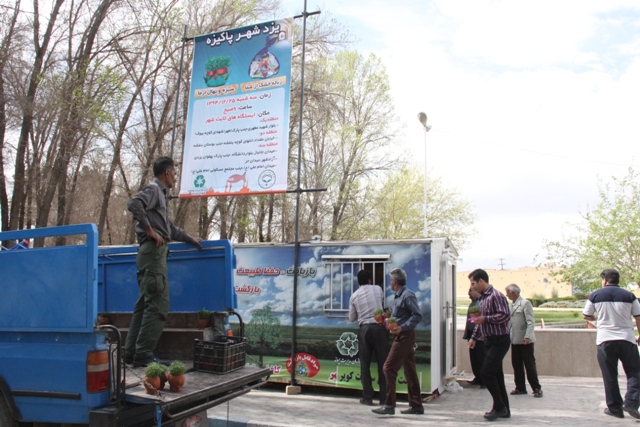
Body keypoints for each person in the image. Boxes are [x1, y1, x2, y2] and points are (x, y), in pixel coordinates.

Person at [125, 157, 202, 367]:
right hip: (153, 252)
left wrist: (191, 239)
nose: (176, 177)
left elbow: (169, 229)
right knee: (158, 304)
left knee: (144, 305)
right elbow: (133, 204)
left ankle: (131, 353)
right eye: (175, 173)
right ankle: (143, 354)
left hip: (149, 254)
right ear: (167, 173)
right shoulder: (154, 190)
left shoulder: (161, 196)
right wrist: (149, 230)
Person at [583, 268, 640, 419]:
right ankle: (631, 402)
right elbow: (638, 317)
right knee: (635, 372)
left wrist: (599, 318)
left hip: (605, 340)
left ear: (604, 280)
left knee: (610, 375)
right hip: (627, 339)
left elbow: (586, 315)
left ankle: (615, 409)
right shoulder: (629, 296)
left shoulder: (595, 295)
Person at [372, 268, 424, 416]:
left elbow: (417, 315)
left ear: (394, 282)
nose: (390, 283)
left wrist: (402, 327)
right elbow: (400, 315)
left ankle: (389, 405)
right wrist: (386, 318)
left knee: (388, 368)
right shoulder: (398, 296)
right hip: (402, 335)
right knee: (410, 370)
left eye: (390, 280)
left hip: (405, 336)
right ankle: (416, 405)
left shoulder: (407, 295)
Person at [468, 268, 511, 421]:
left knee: (486, 373)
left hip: (499, 340)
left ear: (481, 281)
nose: (472, 287)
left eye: (473, 283)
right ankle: (504, 409)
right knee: (497, 375)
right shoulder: (483, 298)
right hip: (489, 341)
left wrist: (485, 319)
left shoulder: (496, 296)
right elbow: (479, 321)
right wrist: (473, 338)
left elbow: (505, 315)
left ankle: (499, 407)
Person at [349, 270, 389, 406]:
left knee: (365, 364)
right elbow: (381, 303)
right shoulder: (378, 289)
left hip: (364, 329)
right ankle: (384, 398)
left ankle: (367, 397)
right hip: (379, 328)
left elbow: (351, 318)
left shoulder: (354, 296)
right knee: (383, 363)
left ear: (358, 282)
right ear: (370, 280)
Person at [505, 284, 542, 397]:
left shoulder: (525, 303)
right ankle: (520, 387)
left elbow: (530, 322)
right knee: (517, 365)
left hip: (525, 340)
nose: (507, 295)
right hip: (514, 339)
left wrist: (528, 336)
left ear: (513, 293)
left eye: (508, 292)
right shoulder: (511, 305)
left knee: (529, 365)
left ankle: (536, 388)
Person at [463, 286, 485, 388]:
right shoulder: (473, 303)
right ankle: (478, 377)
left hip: (479, 336)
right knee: (474, 358)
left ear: (477, 291)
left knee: (480, 358)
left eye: (471, 290)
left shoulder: (480, 303)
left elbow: (478, 320)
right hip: (472, 334)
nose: (468, 293)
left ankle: (483, 380)